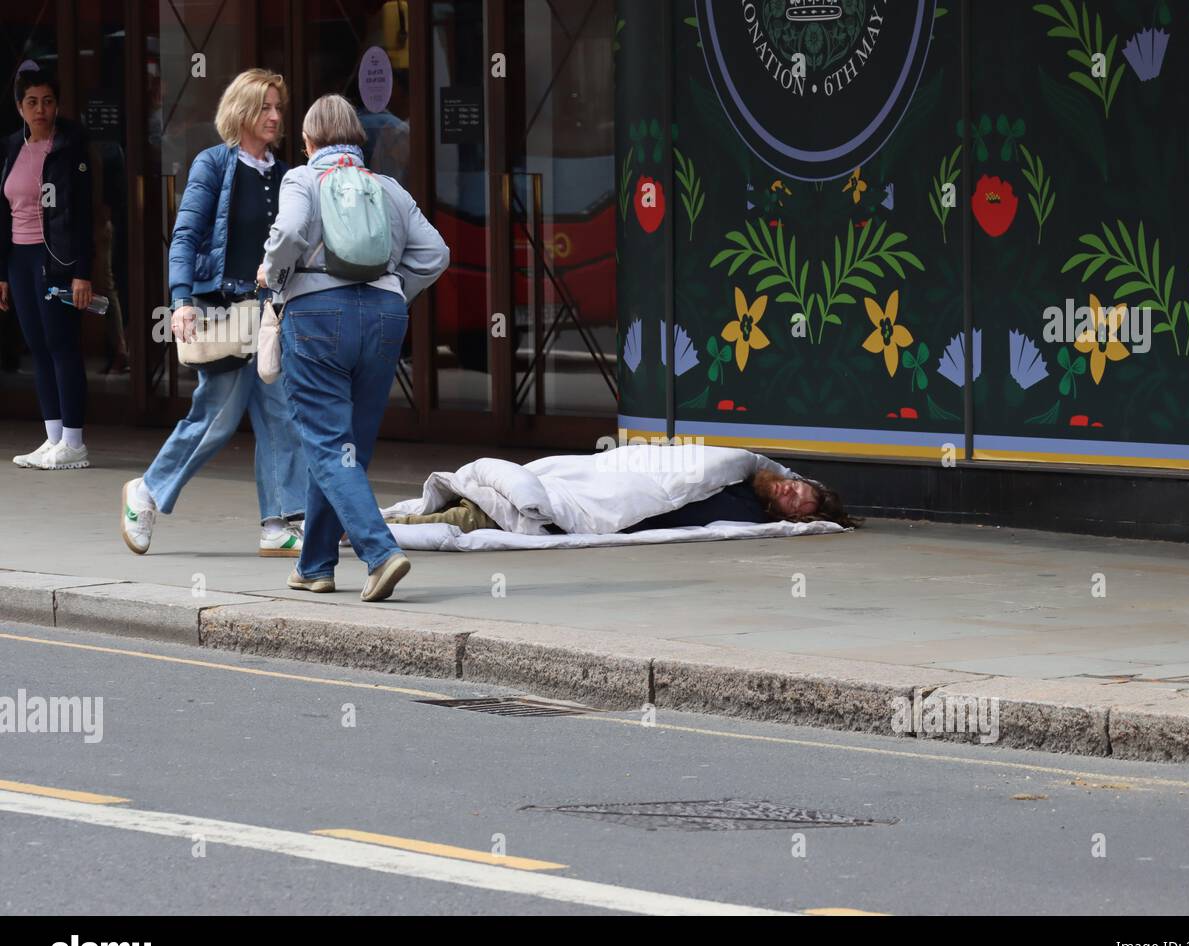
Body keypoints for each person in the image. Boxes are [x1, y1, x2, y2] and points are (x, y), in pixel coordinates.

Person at [259, 94, 449, 601]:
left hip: (318, 317)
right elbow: (435, 253)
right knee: (346, 448)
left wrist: (274, 278)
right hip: (385, 321)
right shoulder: (387, 188)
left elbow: (291, 231)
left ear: (307, 142)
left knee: (325, 443)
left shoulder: (301, 178)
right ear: (358, 139)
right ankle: (316, 565)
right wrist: (393, 289)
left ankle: (380, 553)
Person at [119, 69, 309, 558]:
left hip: (269, 315)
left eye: (278, 108)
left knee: (279, 415)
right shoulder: (213, 165)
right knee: (217, 417)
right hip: (223, 309)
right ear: (242, 111)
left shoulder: (286, 174)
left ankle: (278, 523)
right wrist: (180, 300)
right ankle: (146, 493)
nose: (274, 116)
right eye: (265, 107)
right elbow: (185, 236)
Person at [0, 68, 95, 470]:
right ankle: (53, 436)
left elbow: (85, 213)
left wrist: (83, 271)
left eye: (48, 101)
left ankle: (74, 441)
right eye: (32, 102)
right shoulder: (10, 147)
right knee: (37, 347)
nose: (41, 109)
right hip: (19, 258)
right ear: (20, 107)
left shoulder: (70, 147)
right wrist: (3, 272)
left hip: (55, 258)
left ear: (57, 105)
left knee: (61, 345)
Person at [387, 464, 860, 533]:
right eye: (796, 486)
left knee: (471, 519)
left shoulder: (748, 516)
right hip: (599, 483)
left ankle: (359, 528)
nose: (790, 494)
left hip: (605, 511)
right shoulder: (734, 469)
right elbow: (656, 469)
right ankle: (360, 526)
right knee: (472, 509)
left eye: (799, 504)